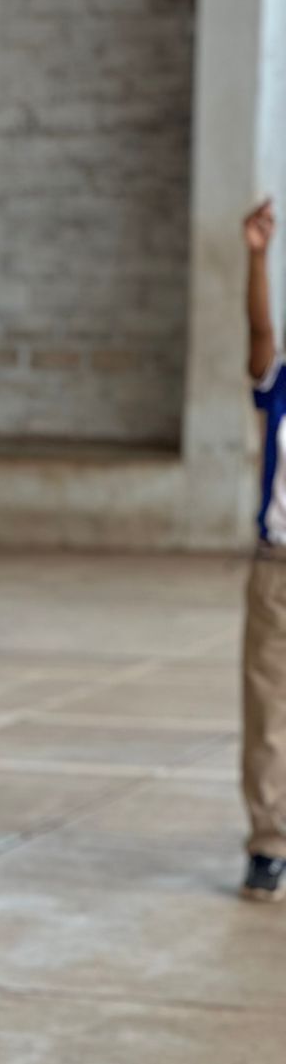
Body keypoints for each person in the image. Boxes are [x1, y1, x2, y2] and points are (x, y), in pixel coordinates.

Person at [241, 195, 286, 900]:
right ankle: (269, 843)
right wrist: (256, 256)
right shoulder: (280, 384)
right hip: (278, 567)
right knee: (269, 706)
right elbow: (259, 335)